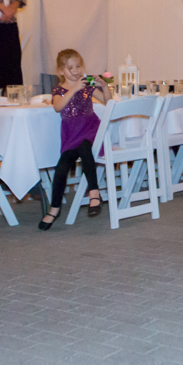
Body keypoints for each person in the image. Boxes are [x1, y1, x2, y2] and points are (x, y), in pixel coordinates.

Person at [39, 49, 106, 230]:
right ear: (61, 71)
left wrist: (105, 87)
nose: (76, 70)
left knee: (85, 148)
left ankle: (94, 193)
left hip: (90, 128)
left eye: (78, 66)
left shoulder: (87, 85)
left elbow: (107, 101)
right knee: (61, 167)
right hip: (71, 134)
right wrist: (75, 88)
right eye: (70, 68)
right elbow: (57, 106)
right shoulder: (59, 90)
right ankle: (55, 208)